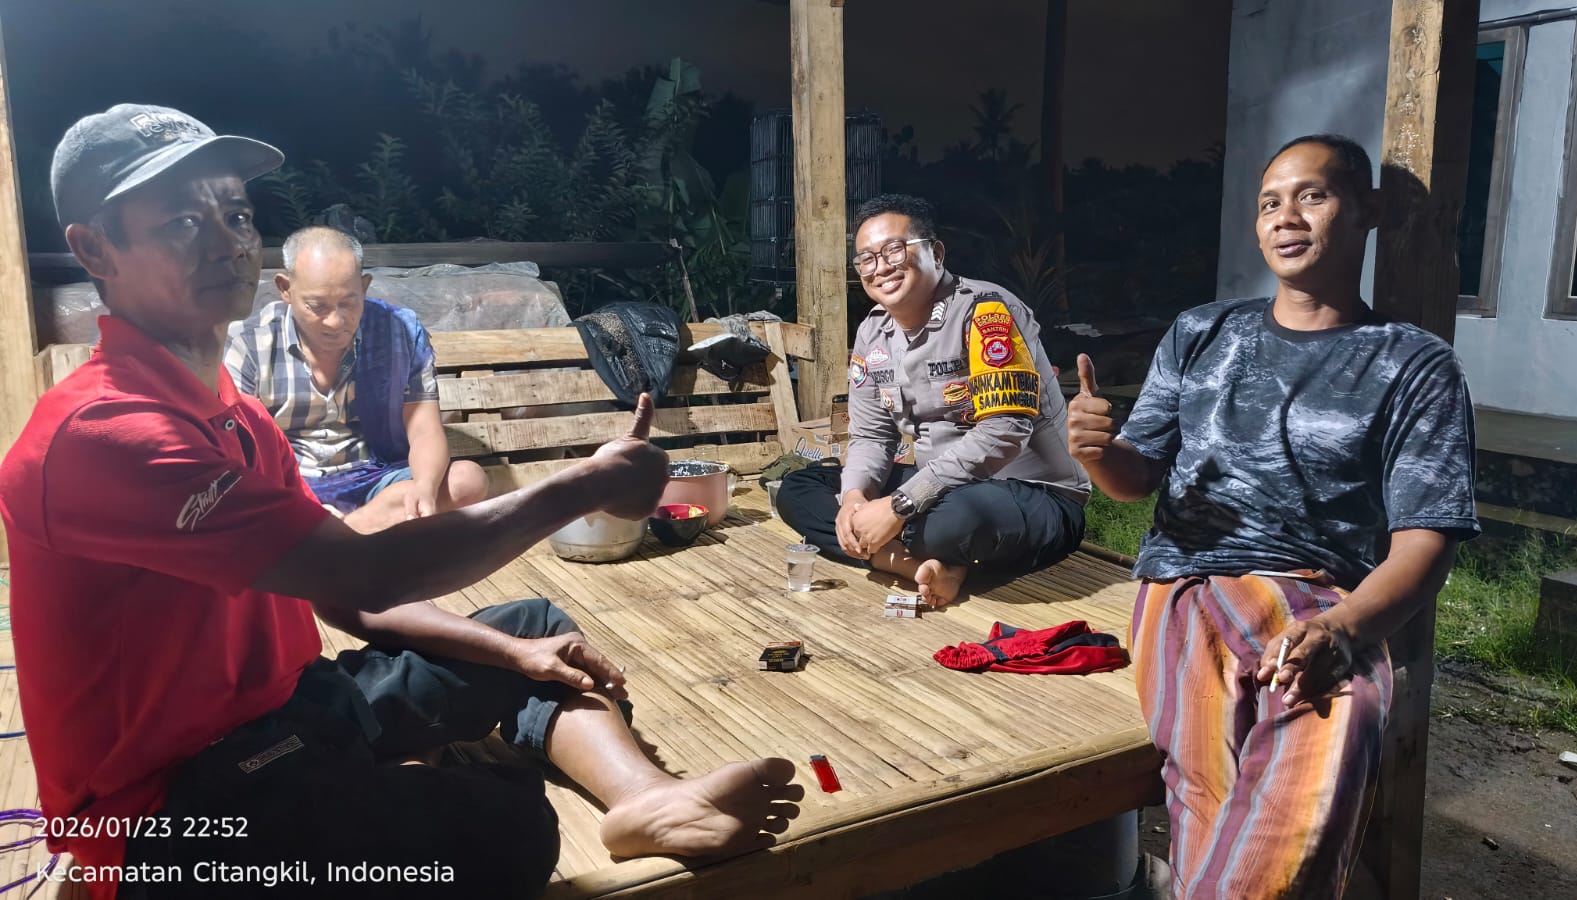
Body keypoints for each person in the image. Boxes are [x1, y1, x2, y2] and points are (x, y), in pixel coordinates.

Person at [0, 104, 801, 900]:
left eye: (235, 214)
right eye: (182, 222)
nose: (226, 241)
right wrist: (583, 487)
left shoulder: (233, 413)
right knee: (510, 833)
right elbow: (361, 573)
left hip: (291, 711)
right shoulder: (102, 431)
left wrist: (508, 656)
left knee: (532, 630)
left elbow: (347, 599)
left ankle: (646, 798)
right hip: (168, 809)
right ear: (94, 248)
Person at [1067, 135, 1479, 899]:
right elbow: (1135, 477)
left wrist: (1346, 629)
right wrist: (1097, 451)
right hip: (1187, 584)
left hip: (1321, 598)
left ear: (1367, 210)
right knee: (1209, 786)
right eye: (1269, 203)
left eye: (1312, 195)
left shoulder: (1412, 363)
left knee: (1334, 717)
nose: (1285, 216)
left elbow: (1426, 539)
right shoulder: (1204, 333)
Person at [776, 193, 1091, 607]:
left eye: (894, 250)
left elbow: (1005, 429)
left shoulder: (986, 312)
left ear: (936, 253)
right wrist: (854, 499)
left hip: (1030, 495)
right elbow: (872, 436)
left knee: (951, 524)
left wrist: (899, 506)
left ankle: (910, 548)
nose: (880, 268)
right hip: (938, 488)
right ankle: (914, 565)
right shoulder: (873, 333)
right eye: (866, 259)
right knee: (799, 487)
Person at [225, 225, 486, 531]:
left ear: (364, 287)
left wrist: (424, 489)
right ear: (285, 289)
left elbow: (424, 429)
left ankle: (341, 533)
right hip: (289, 484)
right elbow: (238, 450)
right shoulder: (248, 344)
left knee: (467, 481)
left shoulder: (399, 331)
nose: (335, 321)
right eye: (317, 306)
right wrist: (299, 505)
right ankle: (343, 533)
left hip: (376, 476)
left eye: (348, 303)